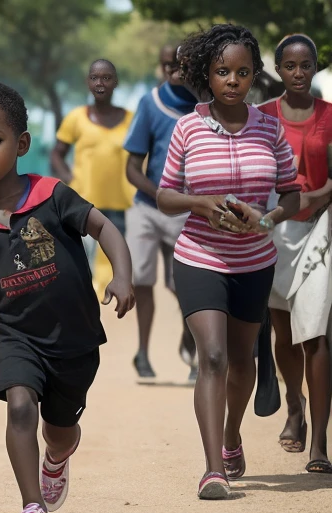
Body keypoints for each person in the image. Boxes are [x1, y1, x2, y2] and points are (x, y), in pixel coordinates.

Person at [0, 81, 134, 513]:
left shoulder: (53, 195)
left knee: (57, 432)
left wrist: (121, 275)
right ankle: (32, 507)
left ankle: (57, 457)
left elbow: (105, 230)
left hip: (76, 341)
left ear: (21, 144)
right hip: (17, 334)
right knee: (19, 406)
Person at [157, 24, 300, 499]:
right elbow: (164, 197)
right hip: (199, 258)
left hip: (254, 262)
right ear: (207, 75)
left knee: (244, 365)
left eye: (242, 72)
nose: (232, 80)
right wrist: (202, 203)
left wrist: (267, 219)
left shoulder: (271, 128)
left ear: (255, 75)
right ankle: (213, 467)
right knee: (213, 357)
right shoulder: (187, 128)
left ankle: (233, 434)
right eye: (223, 71)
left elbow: (293, 195)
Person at [258, 34, 332, 473]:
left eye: (306, 66)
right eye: (290, 66)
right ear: (279, 70)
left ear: (316, 67)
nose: (298, 73)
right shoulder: (261, 117)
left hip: (320, 230)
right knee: (282, 335)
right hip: (272, 230)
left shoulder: (330, 117)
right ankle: (294, 405)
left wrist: (320, 195)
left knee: (317, 333)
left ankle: (319, 441)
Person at [123, 43, 199, 381]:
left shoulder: (206, 108)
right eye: (168, 65)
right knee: (141, 279)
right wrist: (162, 195)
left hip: (188, 212)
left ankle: (192, 344)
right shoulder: (150, 104)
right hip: (146, 207)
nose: (174, 71)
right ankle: (142, 352)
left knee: (183, 284)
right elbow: (132, 168)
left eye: (180, 65)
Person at [51, 59, 134, 292]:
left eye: (106, 78)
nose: (100, 83)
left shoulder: (131, 119)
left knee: (112, 261)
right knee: (82, 261)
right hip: (83, 202)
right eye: (95, 78)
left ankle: (108, 315)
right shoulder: (76, 117)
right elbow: (57, 154)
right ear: (88, 82)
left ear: (115, 82)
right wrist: (69, 179)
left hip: (118, 203)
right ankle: (82, 303)